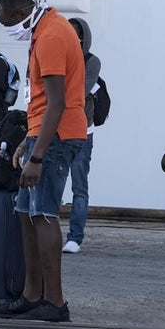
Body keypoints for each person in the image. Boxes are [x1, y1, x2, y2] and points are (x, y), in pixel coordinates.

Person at [0, 0, 87, 322]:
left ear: (21, 14)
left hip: (57, 136)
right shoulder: (48, 27)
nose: (10, 30)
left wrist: (38, 155)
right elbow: (44, 101)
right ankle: (32, 295)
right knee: (25, 212)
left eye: (8, 23)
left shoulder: (49, 37)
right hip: (45, 133)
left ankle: (55, 302)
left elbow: (57, 102)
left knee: (43, 214)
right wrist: (28, 142)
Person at [64, 18, 102, 254]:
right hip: (55, 128)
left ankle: (75, 237)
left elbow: (78, 92)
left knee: (79, 186)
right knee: (50, 185)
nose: (74, 39)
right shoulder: (61, 57)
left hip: (81, 131)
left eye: (77, 35)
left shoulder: (91, 61)